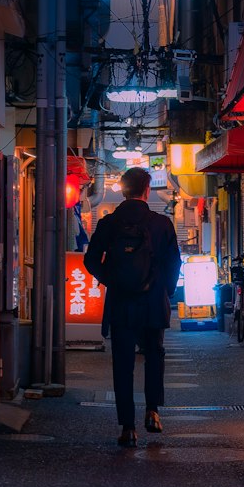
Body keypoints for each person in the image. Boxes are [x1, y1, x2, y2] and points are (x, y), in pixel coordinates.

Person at [84, 165, 182, 447]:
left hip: (121, 303)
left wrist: (112, 279)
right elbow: (174, 263)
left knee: (123, 364)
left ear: (123, 191)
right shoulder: (162, 224)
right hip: (153, 303)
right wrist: (165, 291)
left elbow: (91, 261)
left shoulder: (108, 223)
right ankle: (153, 411)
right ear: (147, 190)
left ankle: (127, 427)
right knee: (154, 356)